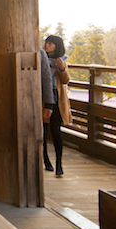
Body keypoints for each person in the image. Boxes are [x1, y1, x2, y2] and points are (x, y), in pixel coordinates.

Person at [42, 35, 71, 176]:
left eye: (50, 43)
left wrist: (61, 69)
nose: (46, 45)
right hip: (42, 98)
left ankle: (59, 163)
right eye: (46, 43)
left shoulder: (61, 60)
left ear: (57, 46)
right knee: (42, 131)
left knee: (56, 131)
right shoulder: (40, 59)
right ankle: (45, 159)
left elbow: (66, 80)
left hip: (57, 98)